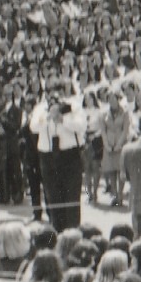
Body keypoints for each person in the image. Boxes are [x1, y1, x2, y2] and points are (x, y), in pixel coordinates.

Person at [31, 89, 86, 231]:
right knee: (53, 197)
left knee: (71, 198)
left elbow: (81, 126)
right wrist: (49, 116)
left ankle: (72, 233)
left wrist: (62, 119)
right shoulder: (40, 109)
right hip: (48, 156)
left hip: (70, 155)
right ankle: (57, 231)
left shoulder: (74, 107)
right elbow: (34, 127)